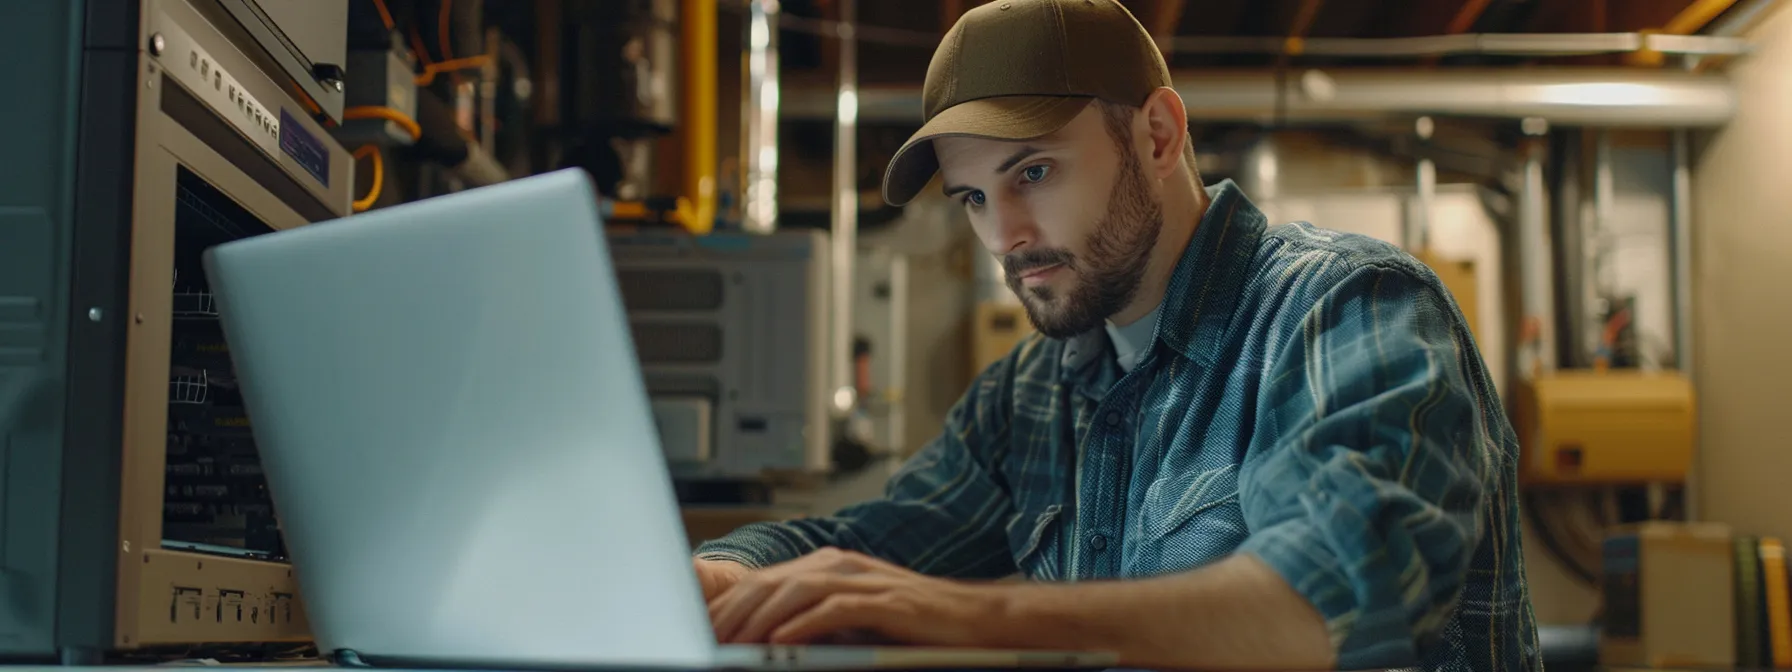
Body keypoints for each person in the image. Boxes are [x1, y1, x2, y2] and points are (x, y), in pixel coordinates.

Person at [692, 1, 1541, 671]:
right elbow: (869, 541)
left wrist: (955, 613)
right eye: (974, 198)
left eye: (1032, 171)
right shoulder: (1033, 391)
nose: (1005, 235)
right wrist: (719, 577)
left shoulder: (1344, 308)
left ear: (1159, 136)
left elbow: (1329, 602)